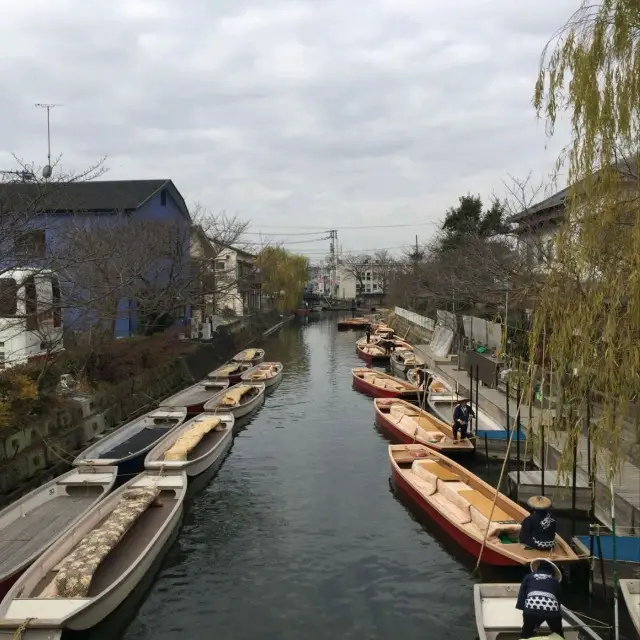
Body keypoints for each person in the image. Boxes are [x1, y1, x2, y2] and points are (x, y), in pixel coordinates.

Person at [516, 558, 564, 638]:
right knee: (558, 633)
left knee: (527, 632)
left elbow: (522, 596)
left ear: (537, 568)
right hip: (551, 608)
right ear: (552, 572)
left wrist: (524, 610)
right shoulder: (555, 581)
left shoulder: (528, 577)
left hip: (532, 607)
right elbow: (559, 599)